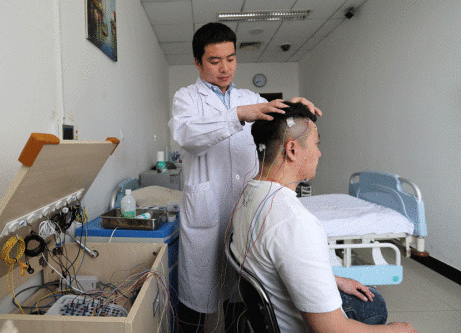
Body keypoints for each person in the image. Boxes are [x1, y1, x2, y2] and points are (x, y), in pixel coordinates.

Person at [168, 22, 321, 332]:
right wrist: (237, 115)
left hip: (245, 211)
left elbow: (275, 127)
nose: (225, 68)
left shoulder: (250, 96)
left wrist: (297, 108)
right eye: (214, 61)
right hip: (206, 215)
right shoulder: (187, 99)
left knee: (241, 300)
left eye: (231, 58)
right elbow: (187, 135)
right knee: (197, 306)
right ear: (198, 62)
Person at [230, 101, 417, 332]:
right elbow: (332, 330)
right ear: (292, 150)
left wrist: (334, 278)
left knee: (370, 297)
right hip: (296, 324)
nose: (319, 152)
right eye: (316, 144)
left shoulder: (248, 194)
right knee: (375, 305)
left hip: (266, 316)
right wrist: (396, 330)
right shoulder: (295, 222)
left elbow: (280, 258)